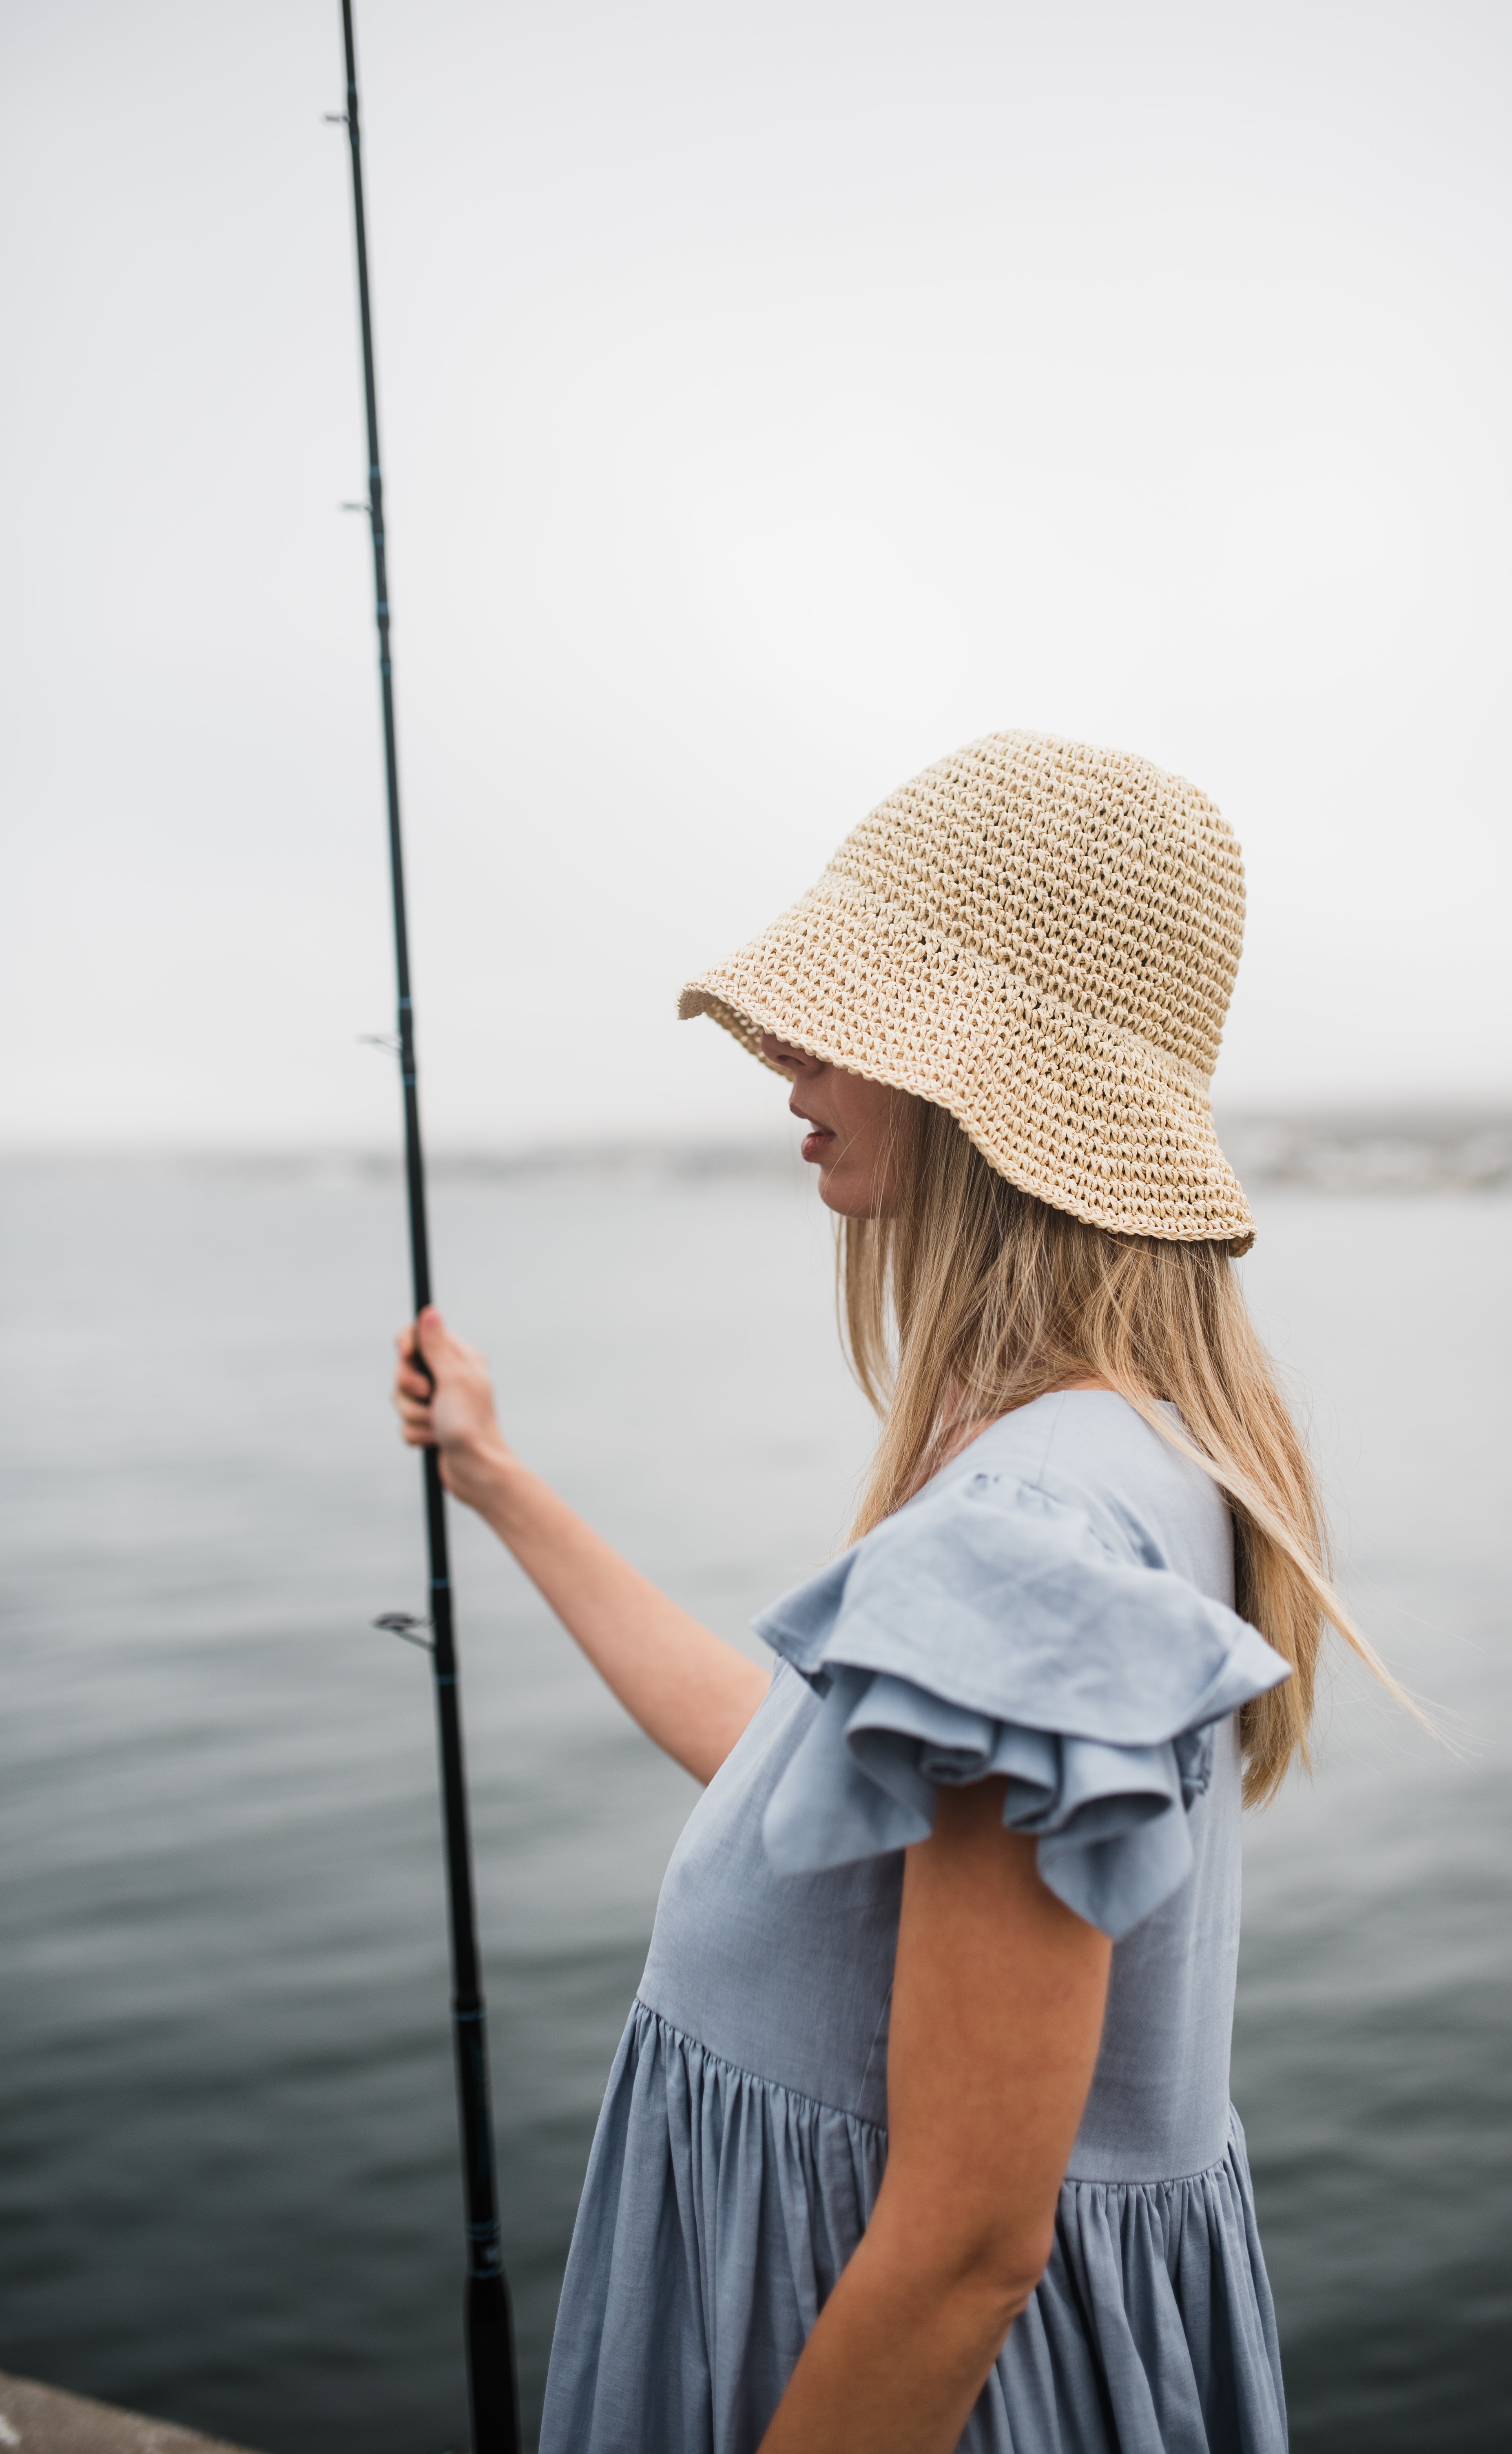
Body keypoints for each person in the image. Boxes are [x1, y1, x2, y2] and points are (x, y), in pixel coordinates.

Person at [393, 732, 1388, 2454]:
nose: (785, 1050)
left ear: (983, 1087)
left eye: (845, 1012)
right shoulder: (1128, 1453)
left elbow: (961, 2255)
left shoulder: (1023, 1527)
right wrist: (498, 1478)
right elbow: (797, 1773)